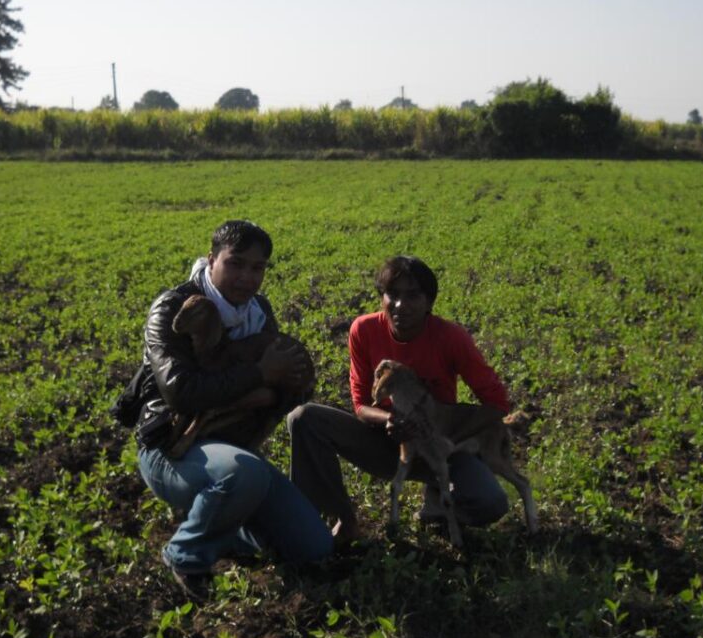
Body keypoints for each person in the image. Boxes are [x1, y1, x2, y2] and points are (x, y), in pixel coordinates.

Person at [133, 220, 332, 599]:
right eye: (235, 263)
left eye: (257, 268)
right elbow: (181, 392)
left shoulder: (259, 310)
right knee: (245, 473)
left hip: (230, 446)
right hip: (171, 448)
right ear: (211, 260)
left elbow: (290, 385)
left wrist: (266, 393)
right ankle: (186, 555)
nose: (246, 278)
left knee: (313, 547)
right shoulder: (173, 308)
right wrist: (258, 375)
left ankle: (220, 523)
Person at [287, 255, 511, 546]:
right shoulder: (364, 330)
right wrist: (390, 420)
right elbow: (360, 405)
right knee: (304, 418)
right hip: (383, 441)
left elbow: (496, 405)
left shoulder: (450, 338)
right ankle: (337, 520)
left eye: (413, 295)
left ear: (430, 302)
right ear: (381, 297)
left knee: (491, 503)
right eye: (392, 294)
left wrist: (447, 435)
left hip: (437, 448)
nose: (400, 305)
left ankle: (437, 508)